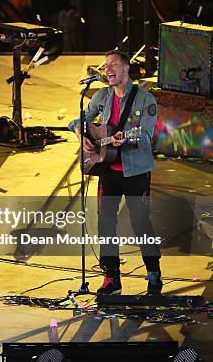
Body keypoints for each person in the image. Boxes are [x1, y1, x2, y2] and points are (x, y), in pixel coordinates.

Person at [68, 50, 161, 295]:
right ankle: (111, 277)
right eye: (105, 65)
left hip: (136, 172)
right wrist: (82, 136)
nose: (108, 68)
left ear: (126, 68)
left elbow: (146, 136)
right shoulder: (102, 96)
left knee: (140, 222)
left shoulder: (145, 99)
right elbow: (78, 120)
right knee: (105, 223)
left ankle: (153, 274)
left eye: (113, 64)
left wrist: (128, 140)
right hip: (108, 170)